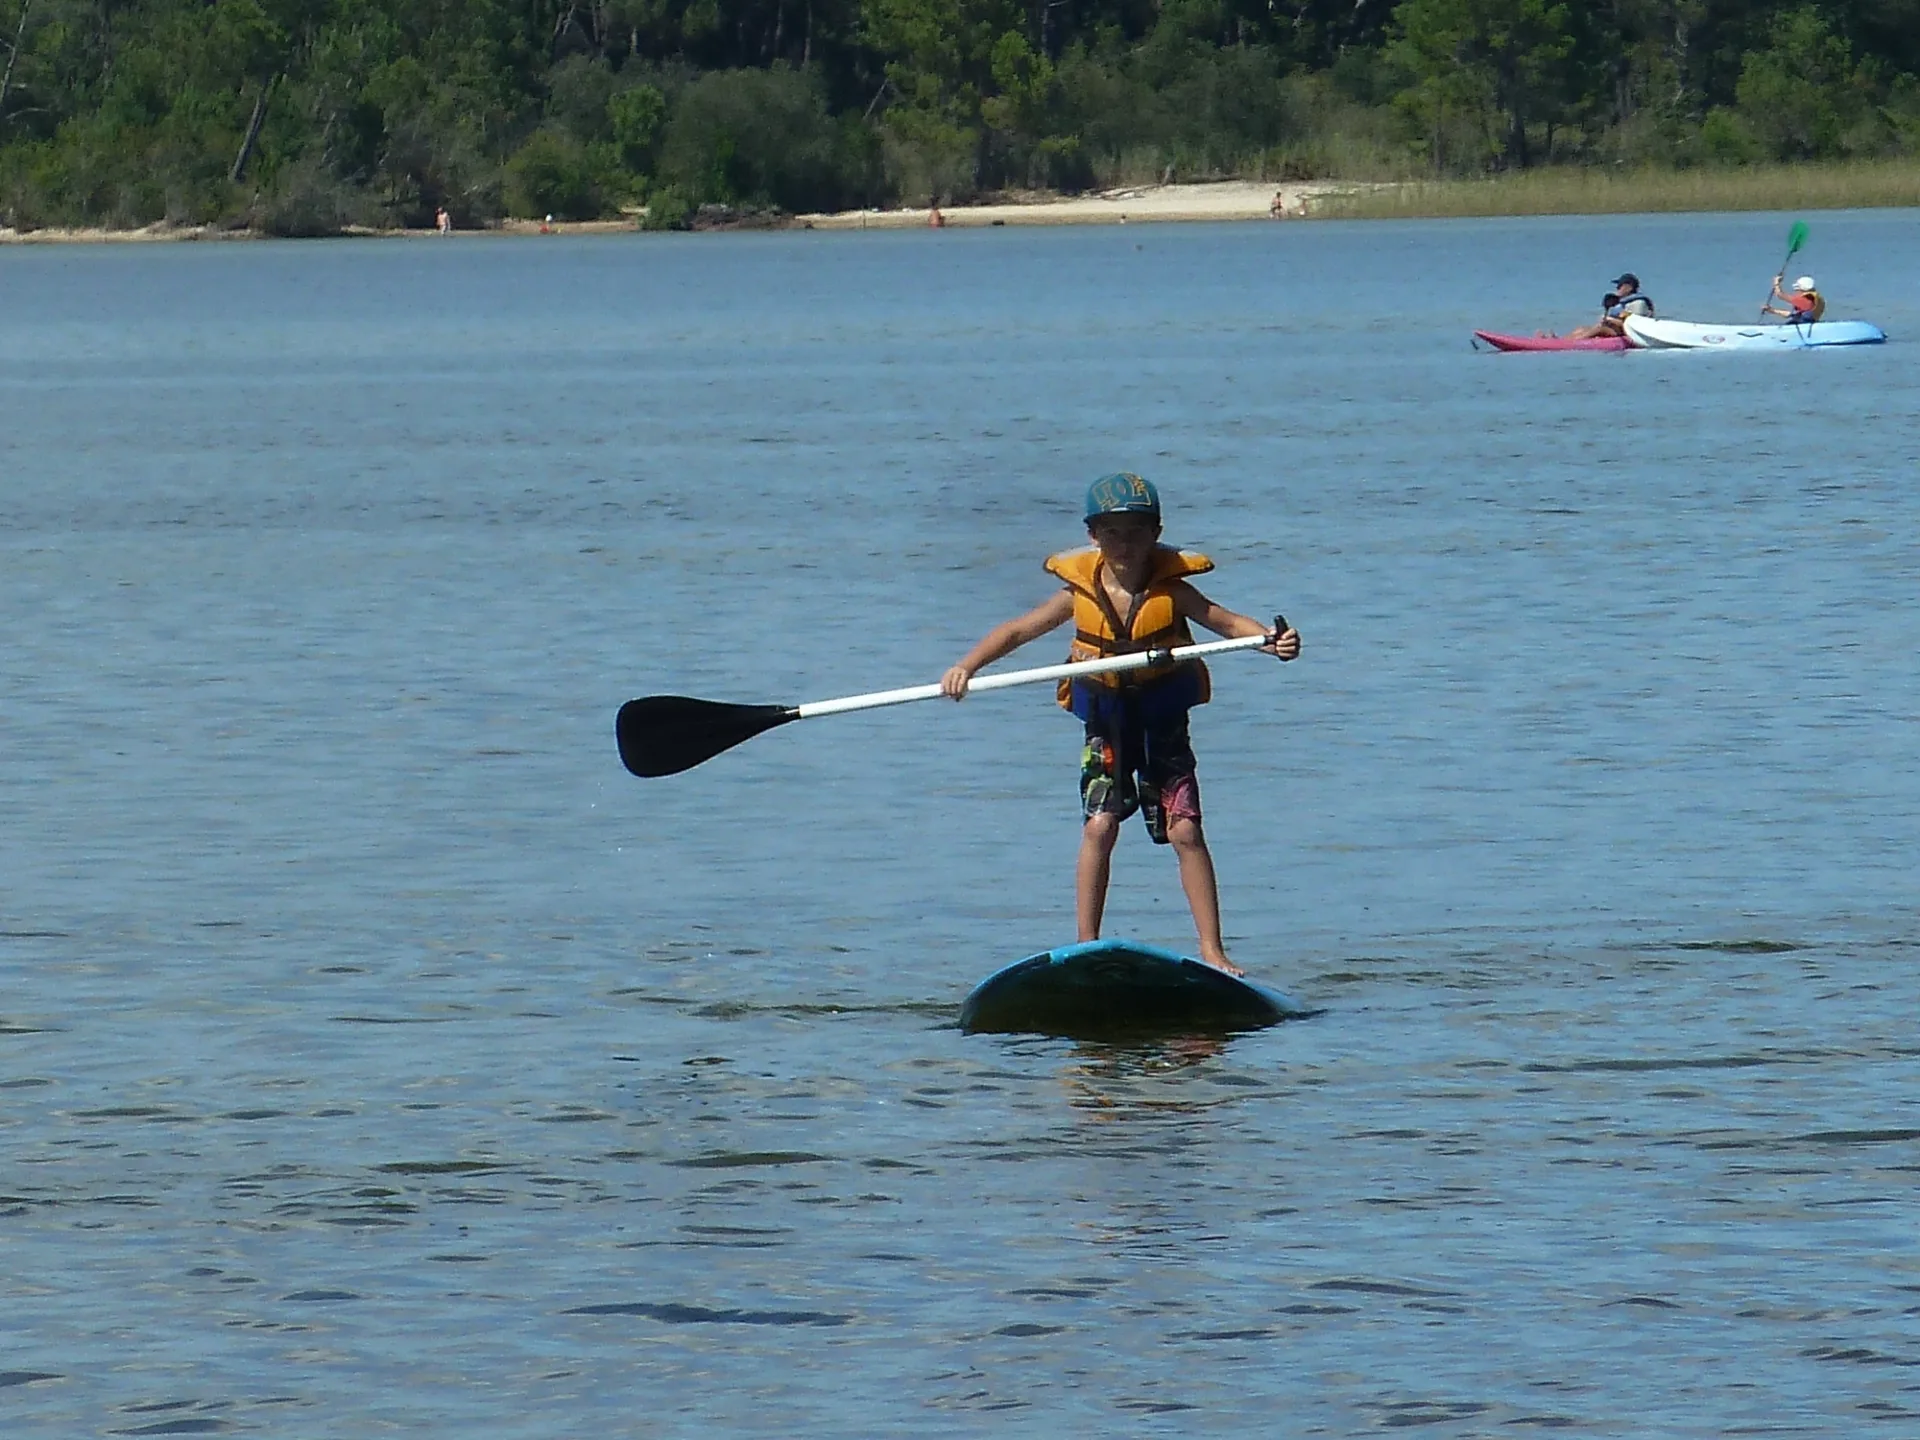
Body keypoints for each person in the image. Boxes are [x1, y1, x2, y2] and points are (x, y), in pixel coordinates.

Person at [939, 473, 1300, 975]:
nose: (1124, 544)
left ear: (1156, 533)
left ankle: (1213, 952)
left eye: (1135, 531)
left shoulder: (1173, 592)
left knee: (1186, 833)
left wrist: (1270, 640)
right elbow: (1018, 630)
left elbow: (1229, 623)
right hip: (1107, 726)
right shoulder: (1077, 594)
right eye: (1111, 532)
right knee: (1100, 826)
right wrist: (967, 666)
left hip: (1163, 725)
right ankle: (1086, 947)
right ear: (1093, 536)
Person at [1566, 272, 1654, 339]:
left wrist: (1610, 320)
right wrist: (1606, 320)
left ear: (1629, 287)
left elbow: (1635, 324)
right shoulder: (1622, 303)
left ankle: (1571, 343)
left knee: (1599, 329)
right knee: (1581, 328)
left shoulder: (1639, 304)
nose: (1617, 288)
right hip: (1616, 329)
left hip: (1628, 333)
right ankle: (1562, 340)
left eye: (1619, 286)